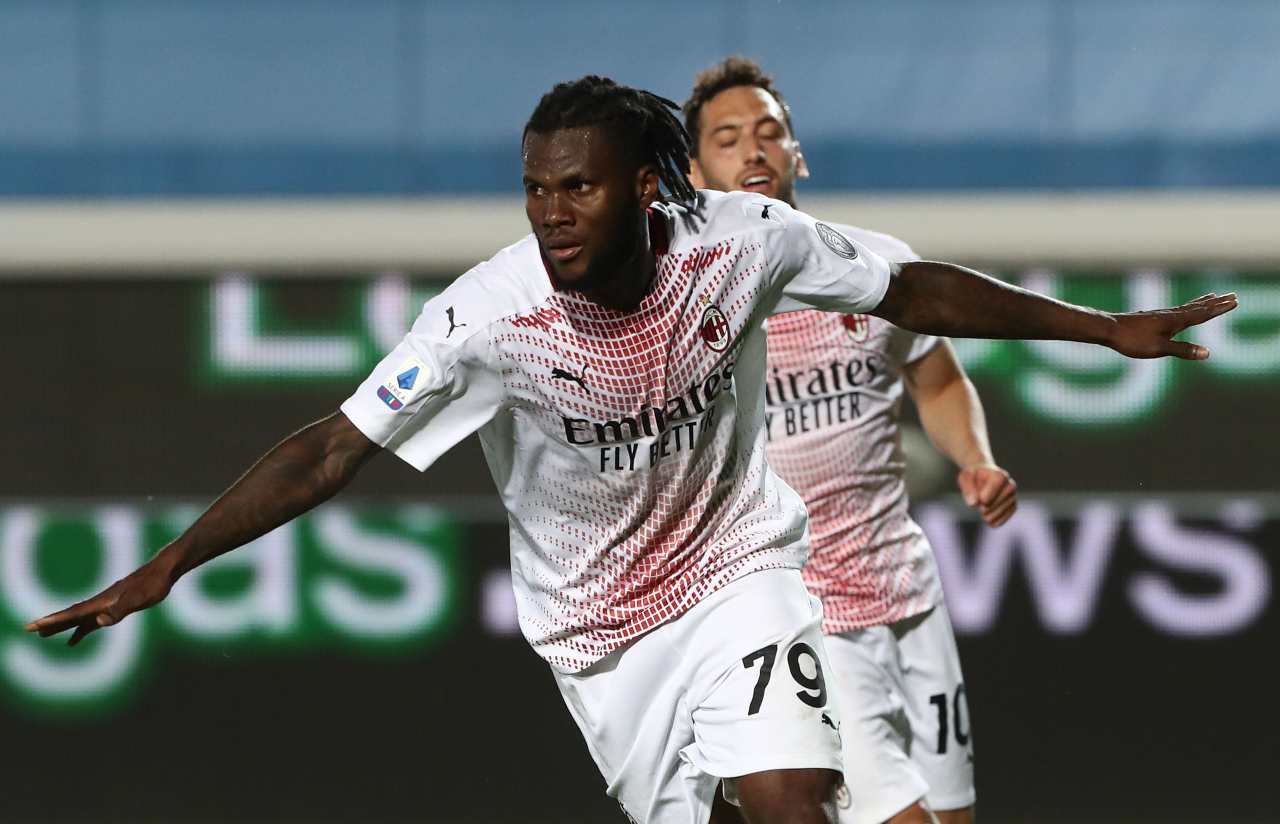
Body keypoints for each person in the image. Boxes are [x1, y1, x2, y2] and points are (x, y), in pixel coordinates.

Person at [26, 76, 1235, 824]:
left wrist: (1099, 328)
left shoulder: (741, 241)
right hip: (600, 631)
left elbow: (907, 285)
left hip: (740, 571)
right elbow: (329, 449)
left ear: (649, 187)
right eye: (535, 190)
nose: (552, 213)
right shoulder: (486, 317)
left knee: (791, 795)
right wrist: (165, 565)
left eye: (579, 188)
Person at [684, 56, 1010, 824]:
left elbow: (937, 382)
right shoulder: (690, 304)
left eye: (769, 132)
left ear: (797, 154)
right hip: (803, 615)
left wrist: (976, 460)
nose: (753, 149)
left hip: (909, 592)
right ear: (695, 173)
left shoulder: (876, 267)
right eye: (727, 139)